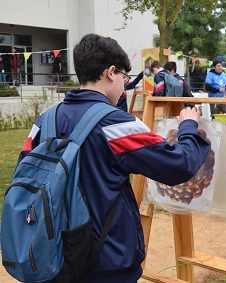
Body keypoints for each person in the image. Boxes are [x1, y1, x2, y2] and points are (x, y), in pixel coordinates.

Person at [17, 33, 210, 283]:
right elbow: (179, 164)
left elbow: (25, 173)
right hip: (107, 264)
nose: (123, 84)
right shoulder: (117, 124)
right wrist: (188, 127)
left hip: (52, 258)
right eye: (124, 77)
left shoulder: (44, 121)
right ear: (111, 72)